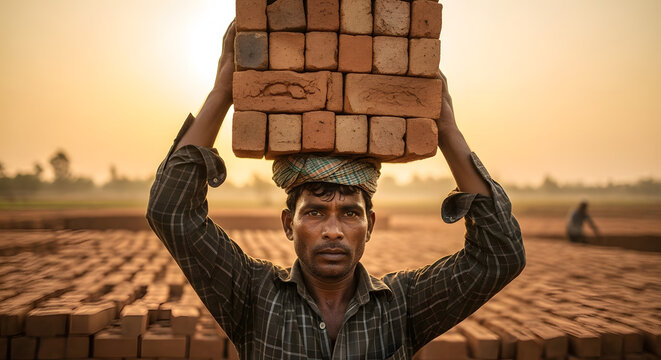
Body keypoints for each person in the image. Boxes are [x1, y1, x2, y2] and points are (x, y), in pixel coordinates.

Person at [146, 21, 526, 359]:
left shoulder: (403, 303)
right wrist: (222, 95)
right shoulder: (251, 294)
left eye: (350, 212)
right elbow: (171, 210)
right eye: (314, 212)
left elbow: (499, 257)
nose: (333, 230)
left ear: (370, 224)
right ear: (287, 224)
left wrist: (446, 131)